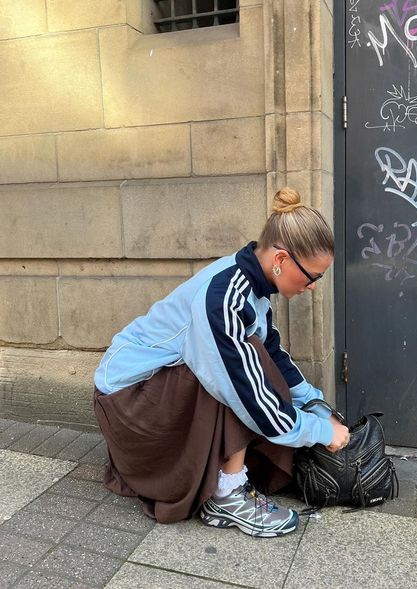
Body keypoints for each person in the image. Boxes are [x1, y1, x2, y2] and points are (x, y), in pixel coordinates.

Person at [93, 187, 350, 538]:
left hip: (153, 393)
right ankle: (227, 495)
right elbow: (244, 390)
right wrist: (320, 432)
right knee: (236, 369)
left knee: (252, 354)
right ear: (282, 259)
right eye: (312, 276)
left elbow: (275, 356)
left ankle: (230, 476)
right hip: (129, 404)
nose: (312, 287)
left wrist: (317, 405)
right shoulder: (224, 298)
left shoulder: (250, 288)